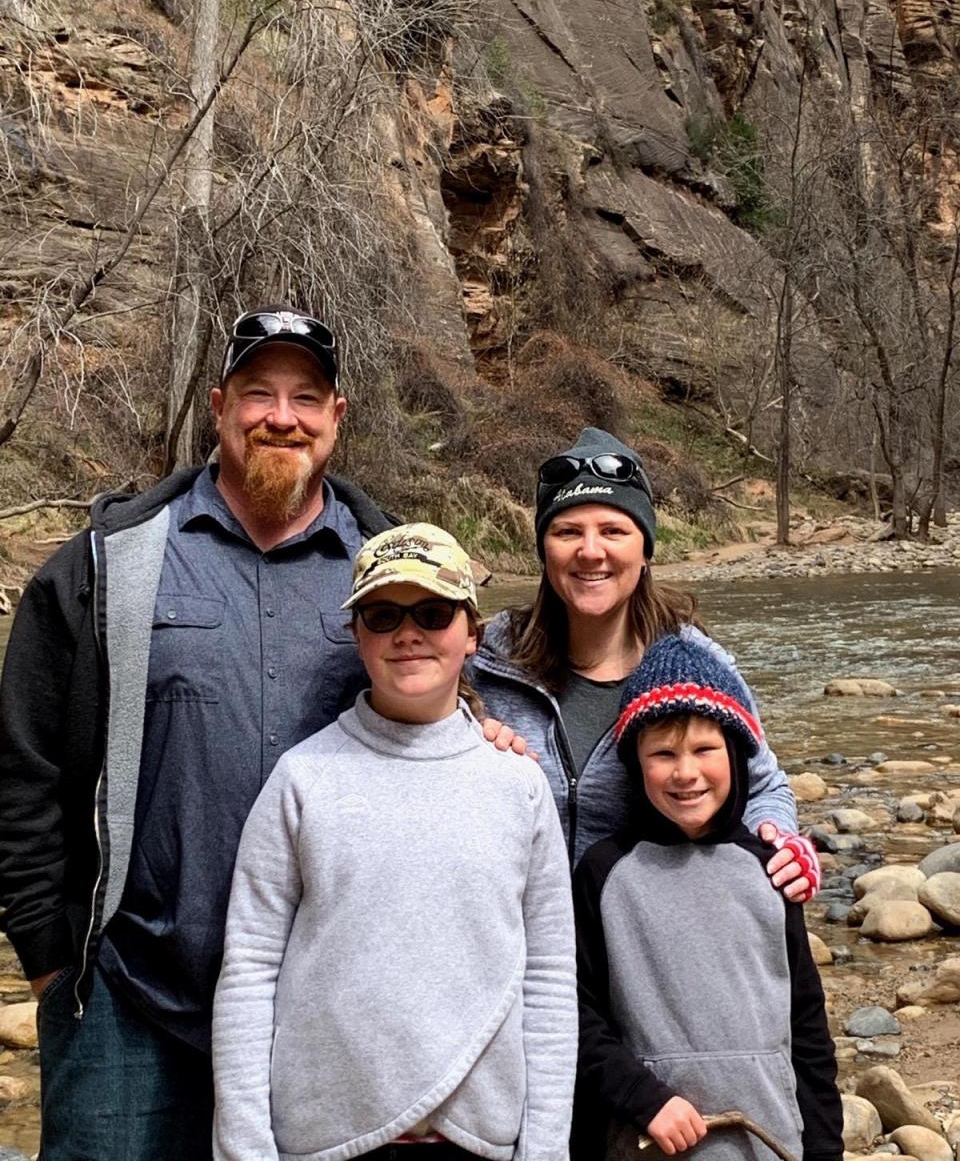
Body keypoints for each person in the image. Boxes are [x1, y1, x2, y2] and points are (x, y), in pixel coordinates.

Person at [0, 309, 397, 1159]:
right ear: (218, 407)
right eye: (258, 393)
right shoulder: (112, 563)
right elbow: (21, 763)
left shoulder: (389, 572)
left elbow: (455, 719)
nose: (280, 416)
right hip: (128, 997)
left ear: (337, 416)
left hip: (324, 1004)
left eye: (305, 397)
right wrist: (48, 952)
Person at [212, 523, 577, 1161]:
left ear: (472, 635)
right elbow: (248, 973)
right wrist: (245, 1147)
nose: (408, 634)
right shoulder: (301, 779)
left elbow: (548, 978)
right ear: (357, 636)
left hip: (482, 1137)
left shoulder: (518, 783)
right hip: (328, 1139)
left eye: (433, 613)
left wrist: (545, 1146)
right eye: (383, 616)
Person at [471, 427, 820, 897]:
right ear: (544, 551)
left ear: (645, 549)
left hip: (641, 948)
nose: (590, 551)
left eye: (614, 531)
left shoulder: (696, 667)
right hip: (518, 947)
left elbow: (763, 787)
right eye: (567, 531)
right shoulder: (487, 655)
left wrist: (779, 847)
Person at [572, 633, 843, 1161]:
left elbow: (808, 1029)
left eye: (704, 749)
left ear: (738, 754)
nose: (686, 772)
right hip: (644, 1140)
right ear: (635, 763)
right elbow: (577, 1014)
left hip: (771, 1142)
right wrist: (641, 1097)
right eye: (663, 753)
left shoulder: (773, 868)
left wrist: (826, 1149)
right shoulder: (604, 873)